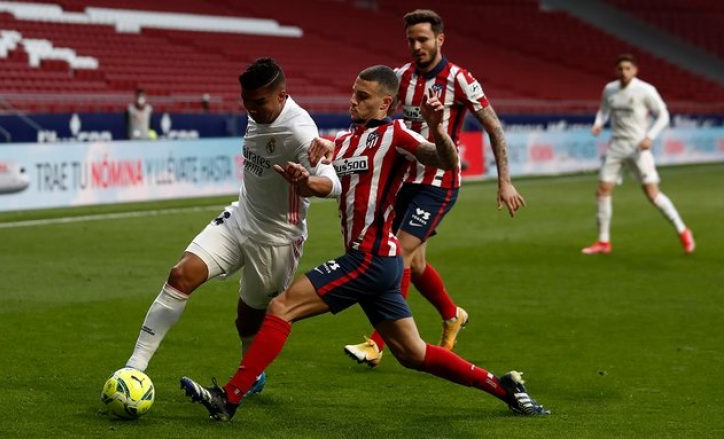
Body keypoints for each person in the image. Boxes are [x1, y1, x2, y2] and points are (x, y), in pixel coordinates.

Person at [179, 65, 549, 420]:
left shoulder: (398, 134)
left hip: (369, 258)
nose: (352, 102)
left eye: (363, 96)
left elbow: (446, 161)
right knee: (412, 353)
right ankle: (504, 388)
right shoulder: (345, 141)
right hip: (380, 263)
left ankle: (229, 397)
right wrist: (304, 176)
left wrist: (438, 129)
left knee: (281, 307)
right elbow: (322, 176)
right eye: (353, 94)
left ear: (385, 104)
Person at [122, 58, 341, 396]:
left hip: (277, 239)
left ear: (282, 96)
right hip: (240, 218)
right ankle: (133, 370)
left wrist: (309, 184)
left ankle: (251, 376)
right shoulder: (259, 112)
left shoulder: (300, 131)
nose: (251, 110)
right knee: (180, 275)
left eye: (259, 104)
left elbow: (333, 183)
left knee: (247, 319)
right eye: (246, 102)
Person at [344, 9, 526, 367]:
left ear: (440, 39)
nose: (416, 46)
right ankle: (451, 314)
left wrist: (504, 179)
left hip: (438, 184)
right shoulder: (399, 78)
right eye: (411, 40)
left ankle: (378, 343)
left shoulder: (460, 79)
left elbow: (493, 127)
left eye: (423, 39)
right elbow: (378, 119)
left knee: (400, 255)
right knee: (419, 262)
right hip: (402, 183)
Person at [582, 54, 694, 254]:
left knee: (652, 194)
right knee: (602, 190)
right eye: (620, 69)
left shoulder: (645, 90)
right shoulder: (610, 89)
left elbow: (664, 115)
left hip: (638, 148)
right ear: (616, 71)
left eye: (627, 68)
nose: (624, 72)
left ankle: (683, 230)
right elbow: (604, 110)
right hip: (616, 145)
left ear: (635, 70)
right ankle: (603, 241)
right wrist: (599, 123)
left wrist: (650, 136)